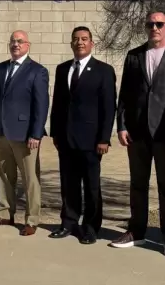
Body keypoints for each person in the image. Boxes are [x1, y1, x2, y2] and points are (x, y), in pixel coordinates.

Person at [111, 12, 165, 257]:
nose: (154, 28)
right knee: (137, 184)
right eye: (150, 24)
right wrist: (122, 126)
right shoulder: (134, 56)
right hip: (137, 132)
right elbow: (125, 95)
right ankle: (136, 232)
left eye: (159, 24)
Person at [48, 27, 116, 244]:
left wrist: (104, 138)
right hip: (66, 139)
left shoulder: (103, 71)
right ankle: (68, 222)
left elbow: (108, 107)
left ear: (91, 43)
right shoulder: (62, 69)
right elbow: (57, 104)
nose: (80, 42)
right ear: (71, 44)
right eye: (76, 39)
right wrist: (55, 133)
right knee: (68, 184)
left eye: (84, 39)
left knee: (91, 185)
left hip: (92, 140)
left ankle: (91, 227)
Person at [0, 30, 49, 236]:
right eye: (12, 41)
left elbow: (41, 106)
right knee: (4, 175)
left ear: (28, 45)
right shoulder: (1, 69)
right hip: (2, 132)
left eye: (20, 41)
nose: (15, 44)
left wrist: (36, 134)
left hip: (25, 135)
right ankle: (5, 213)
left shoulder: (37, 71)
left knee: (30, 178)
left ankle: (32, 219)